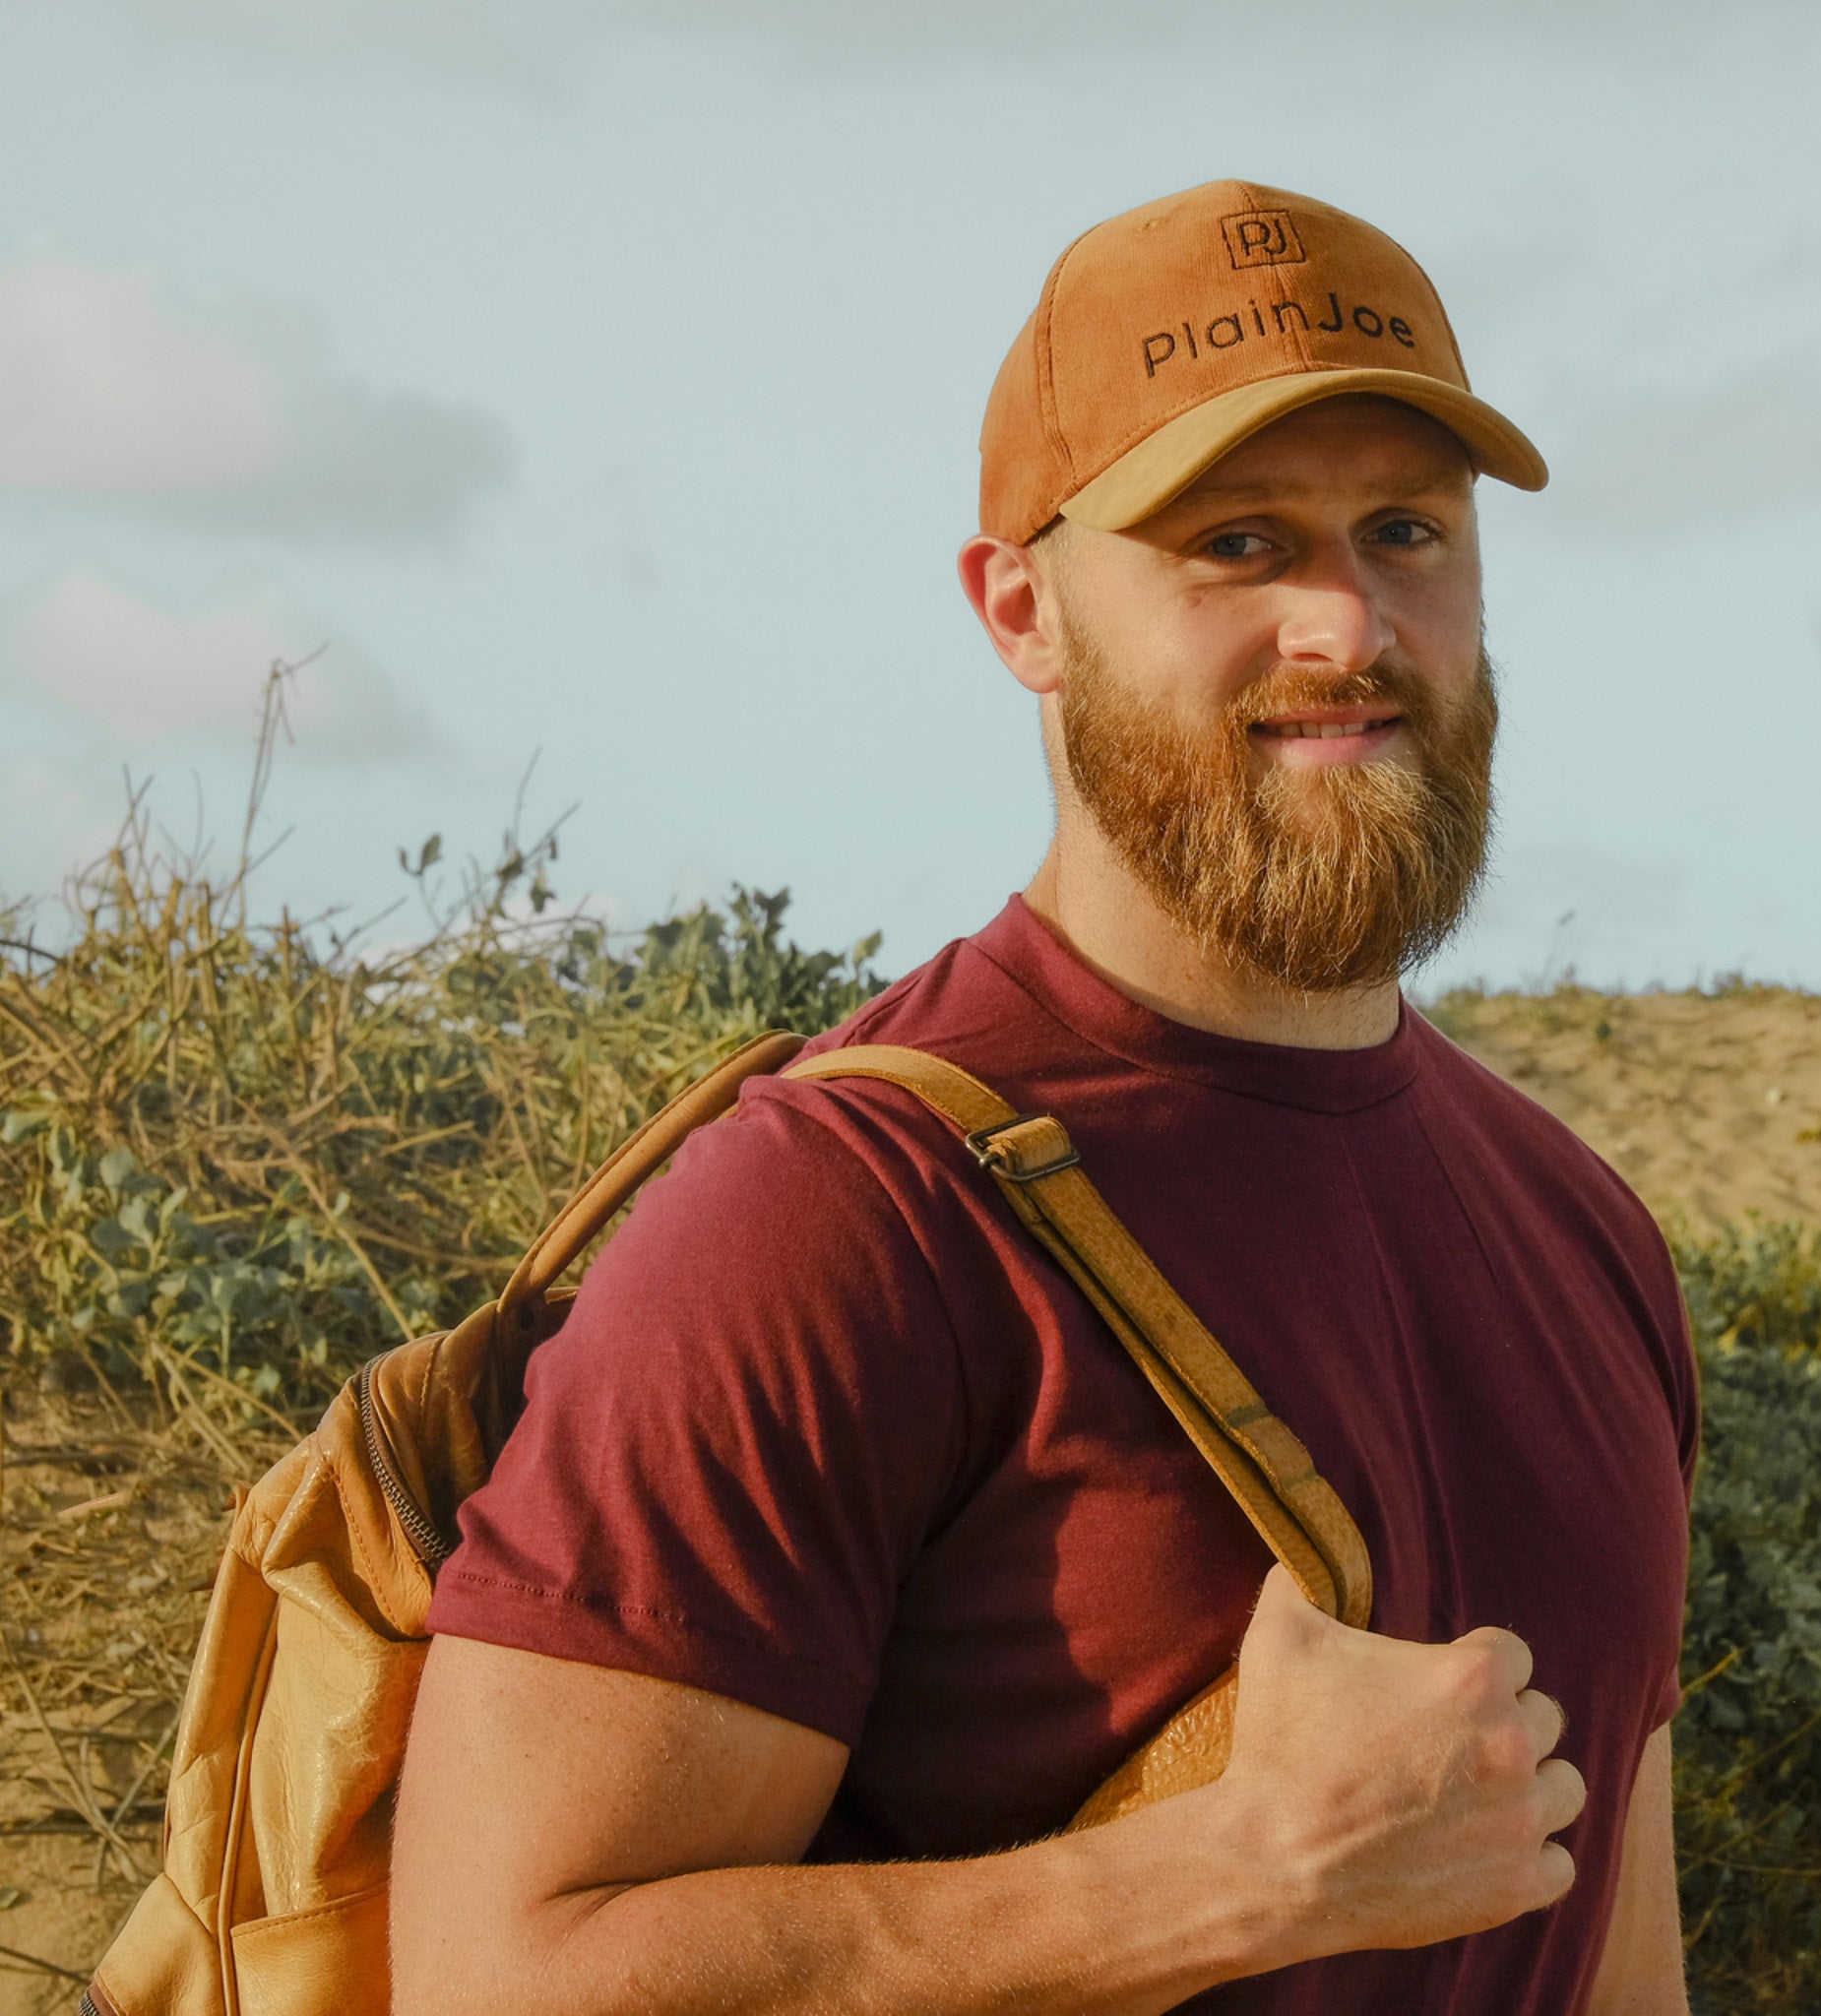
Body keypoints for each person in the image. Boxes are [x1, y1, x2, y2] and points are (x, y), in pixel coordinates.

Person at [389, 180, 1696, 2015]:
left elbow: (1614, 1967)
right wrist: (1224, 1885)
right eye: (1237, 543)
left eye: (1405, 529)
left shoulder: (1585, 1235)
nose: (1344, 622)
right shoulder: (839, 1215)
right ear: (1024, 613)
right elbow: (493, 1984)